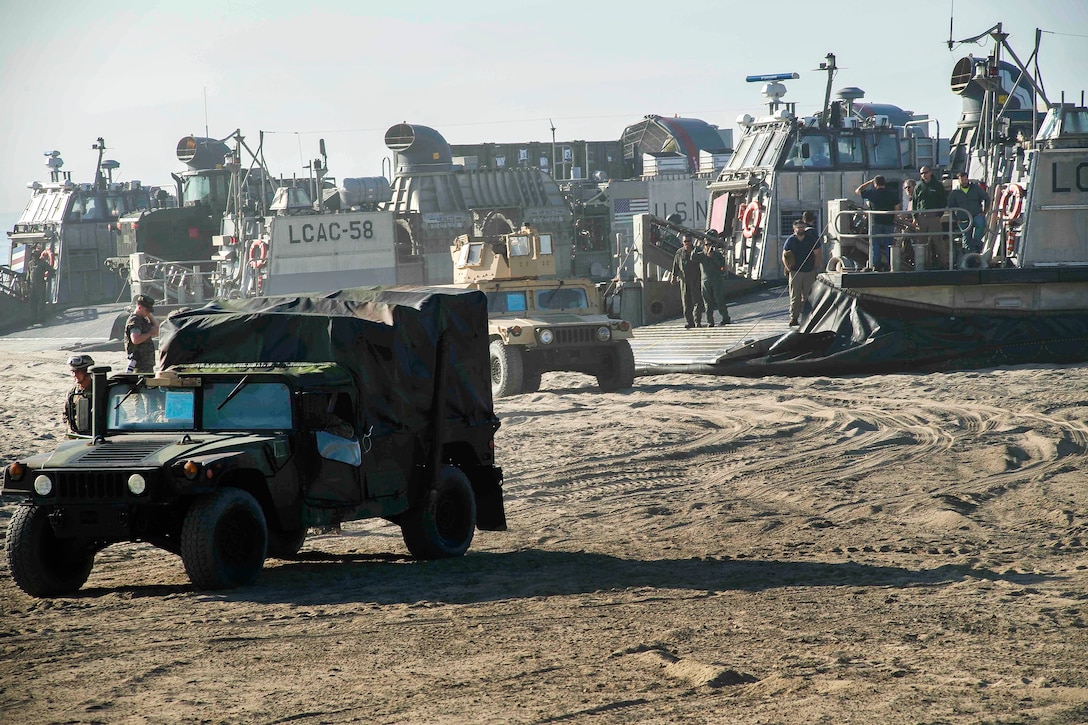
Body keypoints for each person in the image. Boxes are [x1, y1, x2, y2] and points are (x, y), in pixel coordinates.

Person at [855, 175, 901, 271]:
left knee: (875, 243)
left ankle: (877, 264)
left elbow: (858, 190)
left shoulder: (872, 193)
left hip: (875, 222)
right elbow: (897, 206)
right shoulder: (891, 194)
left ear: (875, 184)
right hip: (888, 222)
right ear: (885, 183)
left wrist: (869, 182)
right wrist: (895, 217)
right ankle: (890, 264)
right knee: (889, 243)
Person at [782, 219, 821, 327]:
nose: (800, 229)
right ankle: (794, 318)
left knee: (809, 296)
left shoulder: (810, 239)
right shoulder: (790, 240)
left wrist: (816, 267)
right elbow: (785, 255)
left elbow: (817, 253)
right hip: (795, 272)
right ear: (794, 229)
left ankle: (807, 317)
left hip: (809, 271)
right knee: (795, 296)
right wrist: (788, 267)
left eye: (802, 227)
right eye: (798, 227)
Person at [913, 166, 949, 268]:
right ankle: (922, 264)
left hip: (934, 217)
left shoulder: (938, 185)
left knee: (937, 240)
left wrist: (939, 215)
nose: (924, 175)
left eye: (926, 172)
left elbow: (943, 201)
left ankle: (943, 263)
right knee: (921, 242)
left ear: (930, 172)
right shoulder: (918, 187)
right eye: (922, 173)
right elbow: (915, 203)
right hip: (921, 217)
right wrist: (915, 217)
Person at [947, 171, 989, 254]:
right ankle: (968, 256)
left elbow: (987, 198)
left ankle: (976, 245)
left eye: (965, 179)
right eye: (962, 180)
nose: (964, 181)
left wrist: (985, 211)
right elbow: (950, 207)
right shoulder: (955, 193)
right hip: (963, 218)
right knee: (966, 238)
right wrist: (955, 219)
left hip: (977, 214)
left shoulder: (976, 188)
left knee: (981, 224)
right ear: (959, 181)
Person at [671, 235, 704, 328]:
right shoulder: (679, 252)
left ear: (692, 241)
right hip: (684, 281)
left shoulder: (697, 251)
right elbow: (676, 265)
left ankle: (697, 321)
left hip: (696, 279)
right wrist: (673, 276)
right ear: (683, 242)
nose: (687, 243)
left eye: (689, 241)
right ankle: (690, 322)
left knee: (697, 301)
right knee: (686, 302)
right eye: (685, 241)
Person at [697, 238, 731, 326]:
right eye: (706, 245)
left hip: (716, 280)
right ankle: (710, 321)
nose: (708, 247)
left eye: (710, 244)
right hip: (705, 281)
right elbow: (693, 257)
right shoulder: (701, 255)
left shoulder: (718, 255)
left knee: (719, 299)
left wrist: (713, 257)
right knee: (707, 302)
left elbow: (722, 266)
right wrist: (699, 247)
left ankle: (725, 317)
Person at [125, 294, 160, 373]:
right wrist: (149, 333)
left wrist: (149, 315)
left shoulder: (143, 319)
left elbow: (157, 329)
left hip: (146, 363)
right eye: (147, 310)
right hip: (139, 363)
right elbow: (136, 339)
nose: (148, 312)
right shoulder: (134, 320)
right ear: (139, 307)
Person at [63, 354, 95, 436]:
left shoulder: (99, 390)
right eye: (73, 372)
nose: (74, 375)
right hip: (78, 435)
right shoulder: (73, 393)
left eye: (77, 372)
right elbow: (66, 414)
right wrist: (71, 431)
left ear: (86, 372)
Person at [27, 247, 54, 324]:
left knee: (41, 302)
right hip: (32, 287)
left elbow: (51, 271)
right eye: (33, 255)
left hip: (41, 285)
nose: (34, 256)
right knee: (33, 303)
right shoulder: (30, 264)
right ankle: (33, 319)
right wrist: (28, 285)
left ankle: (41, 318)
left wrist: (47, 279)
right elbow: (28, 276)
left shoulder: (43, 263)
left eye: (36, 255)